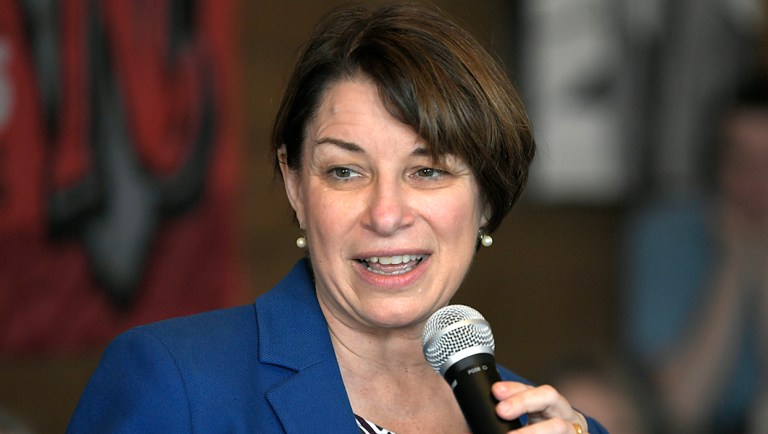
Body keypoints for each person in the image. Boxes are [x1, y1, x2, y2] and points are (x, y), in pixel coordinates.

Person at [67, 4, 608, 433]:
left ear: (485, 197)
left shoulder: (544, 426)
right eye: (346, 171)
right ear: (296, 184)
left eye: (428, 171)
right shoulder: (176, 387)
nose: (387, 214)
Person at [622, 74, 768, 433]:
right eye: (740, 159)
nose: (755, 179)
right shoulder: (666, 234)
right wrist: (734, 265)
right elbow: (681, 409)